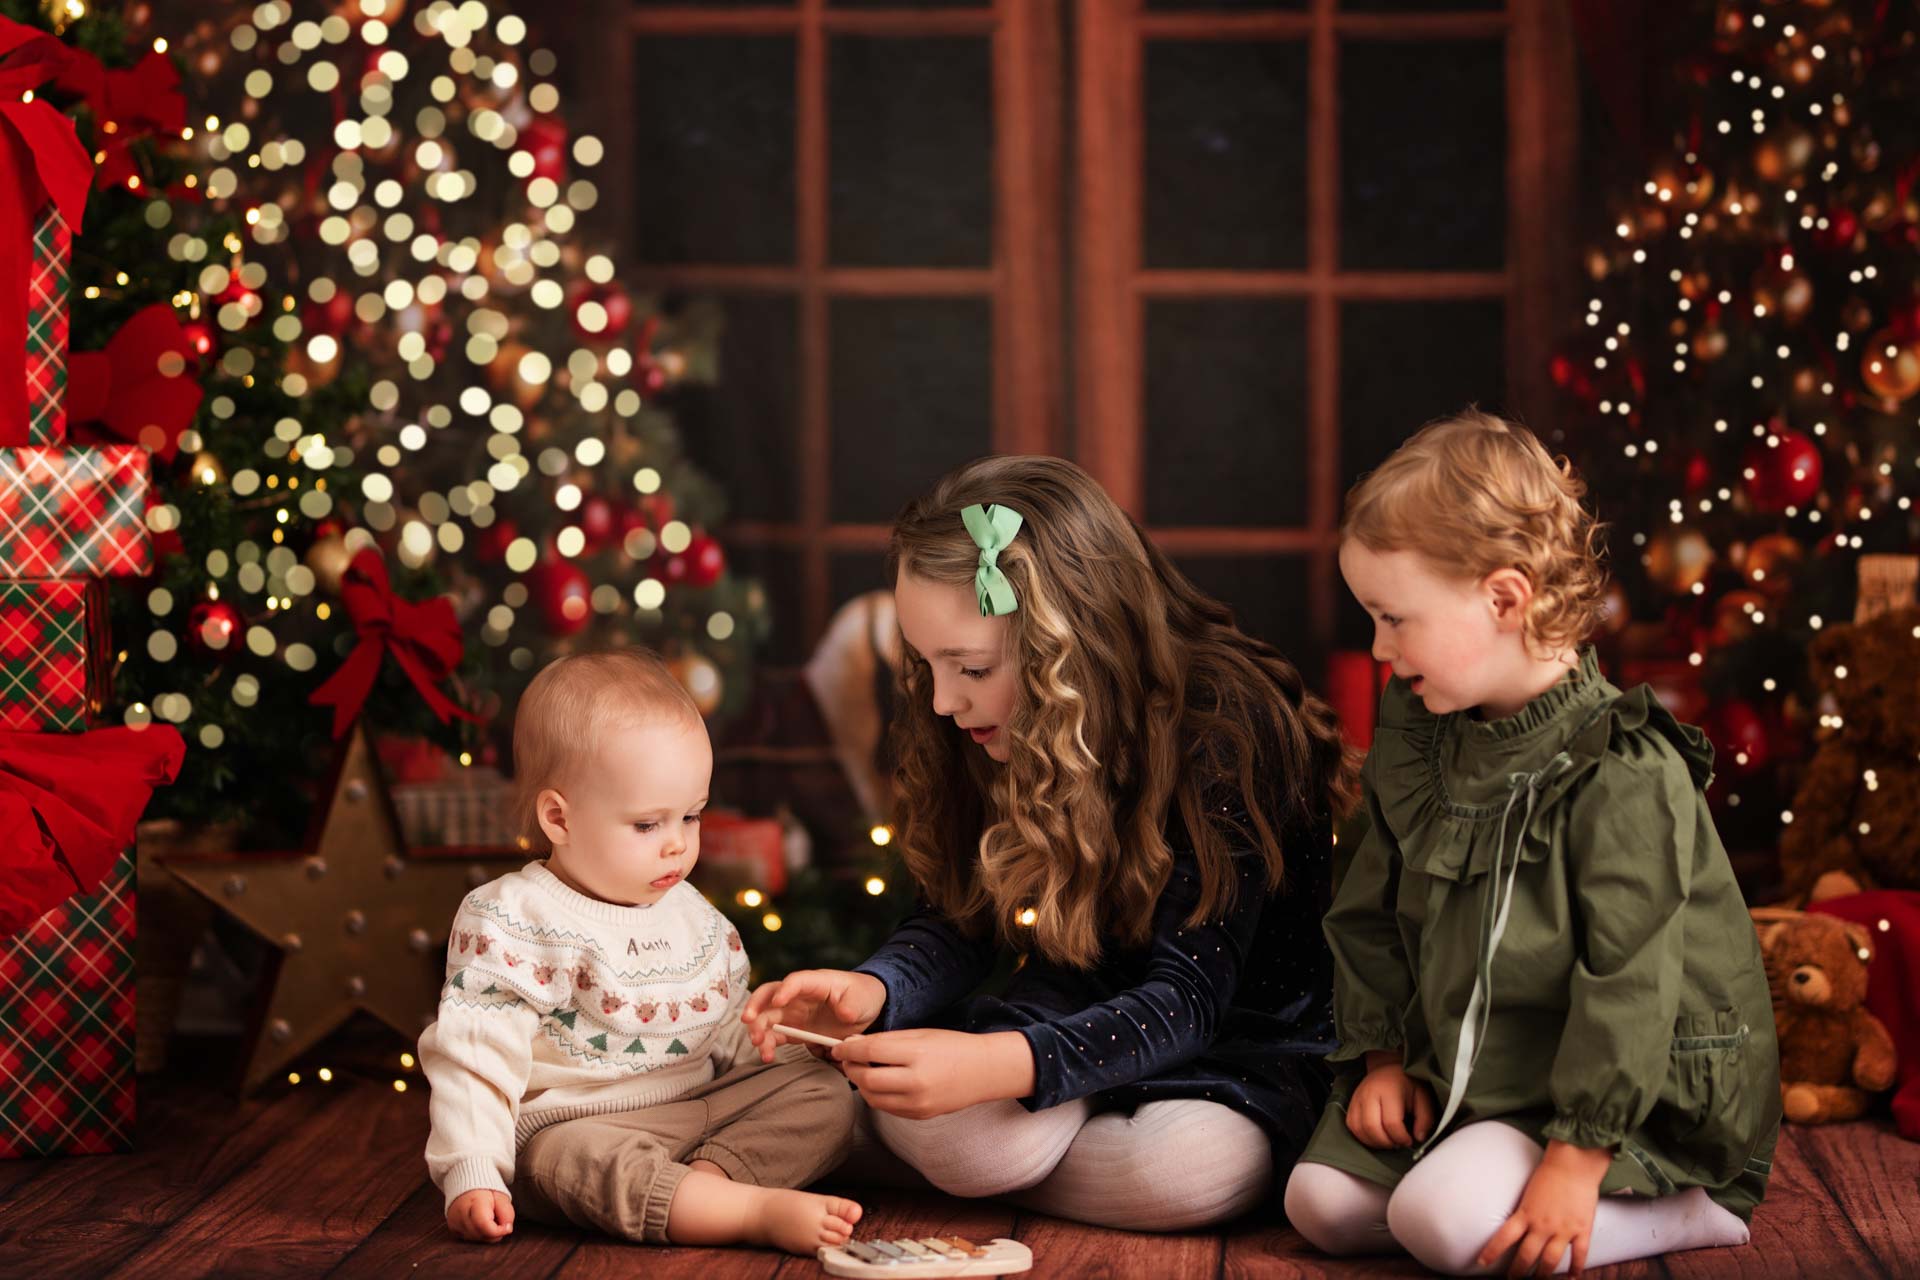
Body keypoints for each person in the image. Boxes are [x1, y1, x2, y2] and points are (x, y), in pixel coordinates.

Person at [745, 455, 1357, 1231]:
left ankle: (844, 1139)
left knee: (1184, 1172)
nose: (940, 701)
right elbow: (961, 916)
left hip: (1234, 1045)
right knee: (972, 1140)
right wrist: (877, 989)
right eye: (926, 664)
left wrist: (998, 1066)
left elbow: (1190, 1001)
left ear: (1070, 643)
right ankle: (930, 1148)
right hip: (1064, 1020)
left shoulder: (1230, 726)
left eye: (969, 666)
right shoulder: (976, 725)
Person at [1284, 409, 1779, 1276]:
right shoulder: (1424, 734)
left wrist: (1575, 1159)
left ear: (1505, 597)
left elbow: (1630, 985)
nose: (1378, 648)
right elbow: (1367, 903)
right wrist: (1387, 1058)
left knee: (1438, 1223)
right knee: (1318, 1204)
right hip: (1466, 1064)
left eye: (1395, 618)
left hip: (1604, 1090)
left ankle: (1683, 1211)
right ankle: (1470, 1179)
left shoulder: (1623, 768)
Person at [419, 648, 861, 1252]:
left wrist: (783, 1039)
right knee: (571, 1162)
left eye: (693, 816)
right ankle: (747, 1211)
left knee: (824, 1096)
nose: (677, 846)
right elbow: (475, 1061)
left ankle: (708, 1188)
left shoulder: (693, 914)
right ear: (559, 819)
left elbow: (722, 1035)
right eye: (648, 825)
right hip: (580, 1126)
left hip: (701, 1104)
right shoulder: (514, 919)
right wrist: (472, 1169)